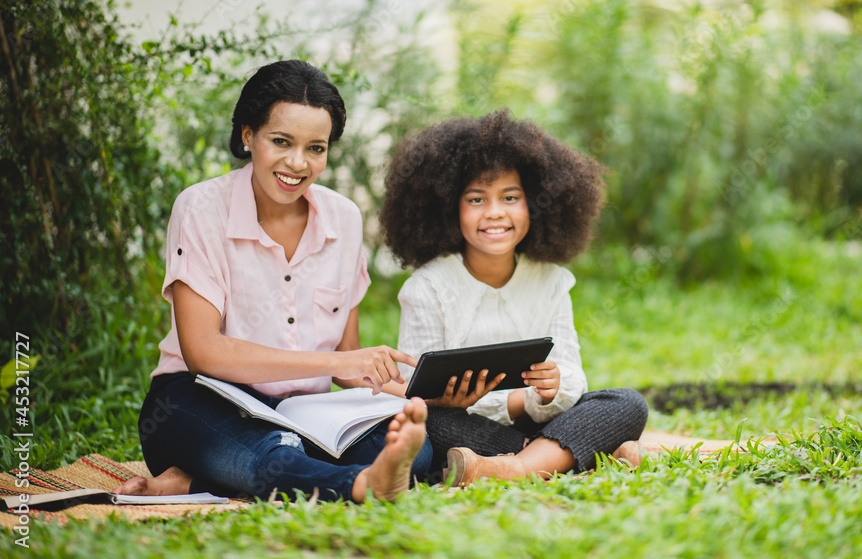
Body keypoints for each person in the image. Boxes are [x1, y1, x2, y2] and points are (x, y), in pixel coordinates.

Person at [114, 60, 431, 503]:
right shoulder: (202, 209)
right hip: (203, 399)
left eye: (316, 148)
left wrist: (427, 395)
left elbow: (349, 360)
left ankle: (198, 482)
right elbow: (204, 352)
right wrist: (336, 366)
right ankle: (359, 485)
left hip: (306, 414)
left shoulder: (344, 218)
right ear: (248, 136)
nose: (298, 163)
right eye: (281, 141)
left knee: (415, 451)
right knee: (270, 448)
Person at [377, 110, 648, 485]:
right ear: (449, 207)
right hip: (466, 425)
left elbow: (572, 376)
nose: (494, 213)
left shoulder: (553, 282)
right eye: (476, 199)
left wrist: (553, 388)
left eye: (510, 197)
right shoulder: (427, 287)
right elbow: (415, 390)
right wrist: (505, 401)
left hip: (541, 419)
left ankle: (513, 468)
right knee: (428, 424)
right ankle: (570, 457)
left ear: (534, 203)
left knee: (626, 403)